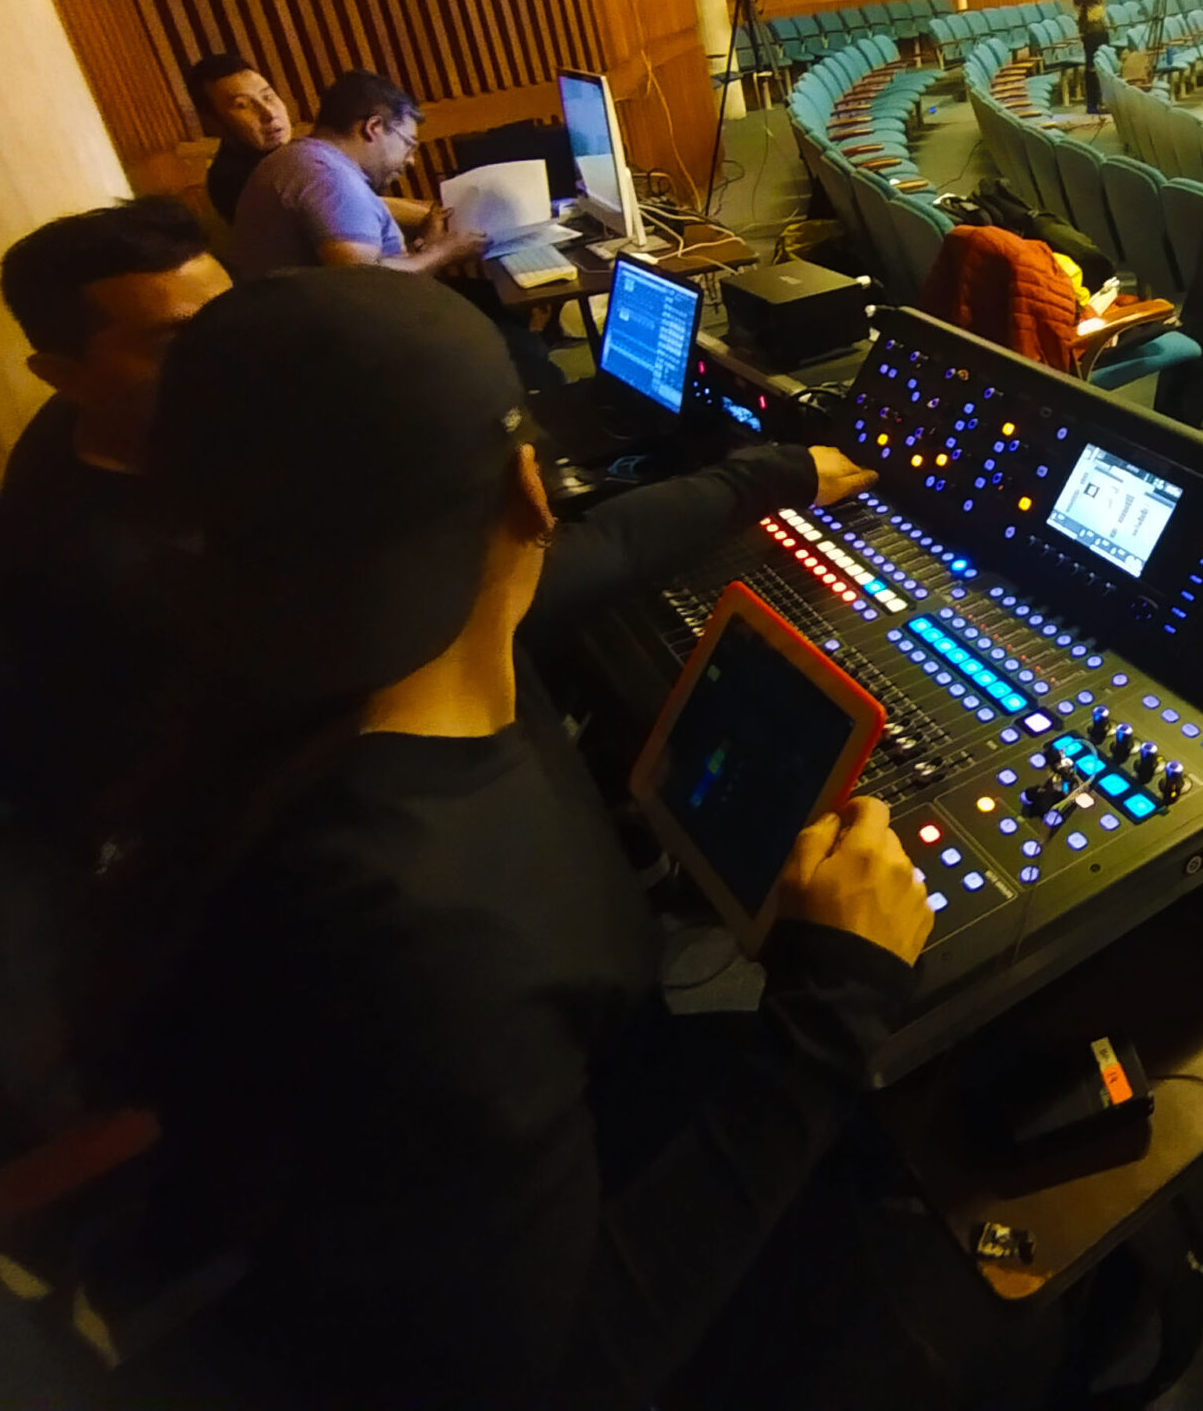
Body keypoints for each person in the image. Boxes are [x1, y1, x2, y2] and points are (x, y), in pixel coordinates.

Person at [107, 268, 1010, 1409]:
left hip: (508, 1156)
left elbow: (609, 549)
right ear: (530, 488)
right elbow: (567, 1367)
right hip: (577, 1280)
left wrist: (775, 474)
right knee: (991, 1328)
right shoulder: (430, 931)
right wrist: (829, 1006)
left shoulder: (285, 666)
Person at [0, 198, 233, 821]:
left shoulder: (134, 422)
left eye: (232, 320)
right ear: (65, 374)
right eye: (176, 344)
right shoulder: (88, 574)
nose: (237, 353)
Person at [231, 67, 486, 277]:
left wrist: (426, 245)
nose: (411, 162)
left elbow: (374, 262)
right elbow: (364, 282)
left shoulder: (302, 159)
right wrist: (444, 252)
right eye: (408, 144)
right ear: (373, 127)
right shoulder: (327, 177)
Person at [184, 50, 295, 224]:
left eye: (268, 97)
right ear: (212, 123)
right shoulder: (233, 182)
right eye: (242, 105)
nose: (268, 113)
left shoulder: (300, 151)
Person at [1068, 0, 1118, 115]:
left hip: (1100, 20)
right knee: (1092, 62)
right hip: (1087, 22)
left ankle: (1103, 99)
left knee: (1104, 58)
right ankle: (1092, 103)